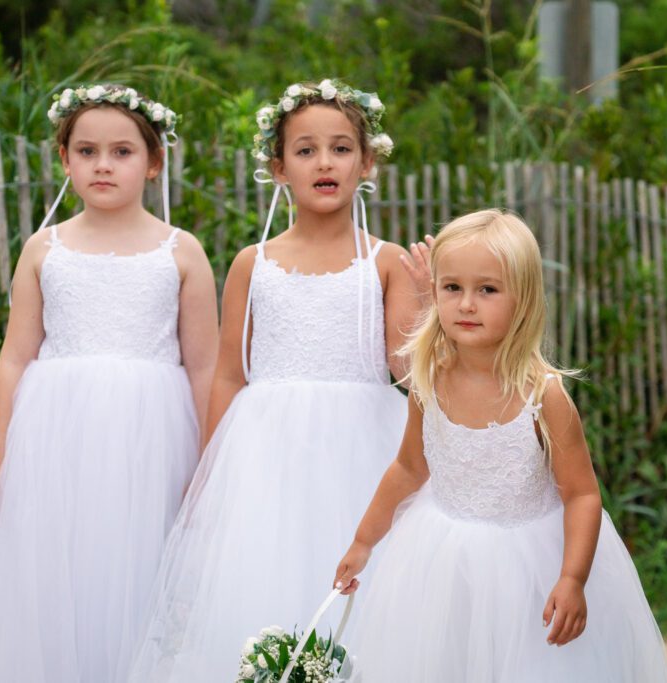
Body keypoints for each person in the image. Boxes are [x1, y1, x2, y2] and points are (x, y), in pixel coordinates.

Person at [128, 79, 431, 681]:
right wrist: (209, 467)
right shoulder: (253, 262)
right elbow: (229, 375)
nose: (325, 162)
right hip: (264, 456)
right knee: (260, 578)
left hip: (362, 448)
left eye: (342, 148)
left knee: (364, 591)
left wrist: (424, 304)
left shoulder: (386, 260)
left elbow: (405, 371)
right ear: (278, 167)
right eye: (306, 150)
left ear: (367, 162)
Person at [0, 84, 218, 682]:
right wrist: (1, 452)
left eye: (122, 152)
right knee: (56, 575)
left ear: (154, 161)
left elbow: (203, 366)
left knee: (135, 570)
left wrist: (206, 460)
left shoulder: (182, 252)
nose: (103, 164)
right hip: (53, 442)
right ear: (64, 159)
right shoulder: (45, 248)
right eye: (87, 151)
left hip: (151, 443)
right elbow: (15, 357)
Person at [334, 209, 667, 682]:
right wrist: (364, 540)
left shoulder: (543, 395)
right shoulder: (427, 380)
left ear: (524, 299)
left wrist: (572, 579)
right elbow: (408, 469)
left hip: (529, 572)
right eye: (452, 287)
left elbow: (582, 493)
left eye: (487, 289)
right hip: (443, 562)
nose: (466, 304)